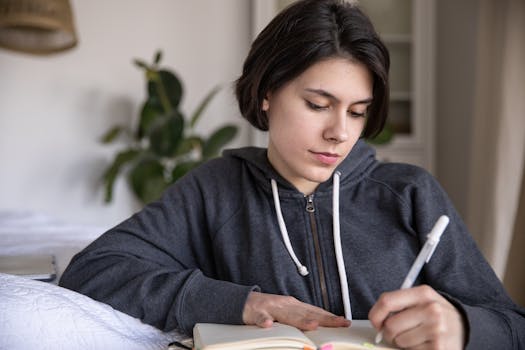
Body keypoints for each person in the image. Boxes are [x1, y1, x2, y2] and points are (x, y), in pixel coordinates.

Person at [60, 0, 525, 349]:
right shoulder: (214, 190)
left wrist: (463, 326)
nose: (339, 133)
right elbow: (94, 270)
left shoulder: (410, 194)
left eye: (358, 112)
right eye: (318, 105)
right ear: (266, 93)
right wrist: (242, 303)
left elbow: (513, 325)